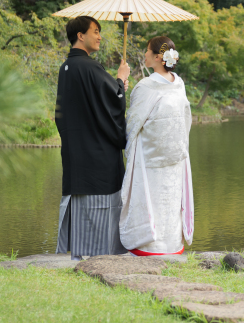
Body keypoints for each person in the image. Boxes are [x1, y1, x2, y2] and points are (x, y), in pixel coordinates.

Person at [55, 16, 130, 260]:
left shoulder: (67, 67)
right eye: (95, 31)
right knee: (101, 212)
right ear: (80, 35)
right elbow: (113, 101)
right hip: (97, 157)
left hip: (76, 154)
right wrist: (121, 79)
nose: (99, 36)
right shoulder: (89, 67)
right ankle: (100, 259)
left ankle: (80, 255)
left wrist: (118, 86)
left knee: (81, 214)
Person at [119, 36, 194, 256]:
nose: (144, 54)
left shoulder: (146, 86)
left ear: (159, 57)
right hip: (173, 154)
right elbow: (186, 120)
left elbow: (133, 123)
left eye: (147, 50)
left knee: (153, 200)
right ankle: (168, 246)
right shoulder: (178, 84)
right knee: (168, 200)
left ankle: (149, 246)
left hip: (150, 157)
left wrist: (129, 147)